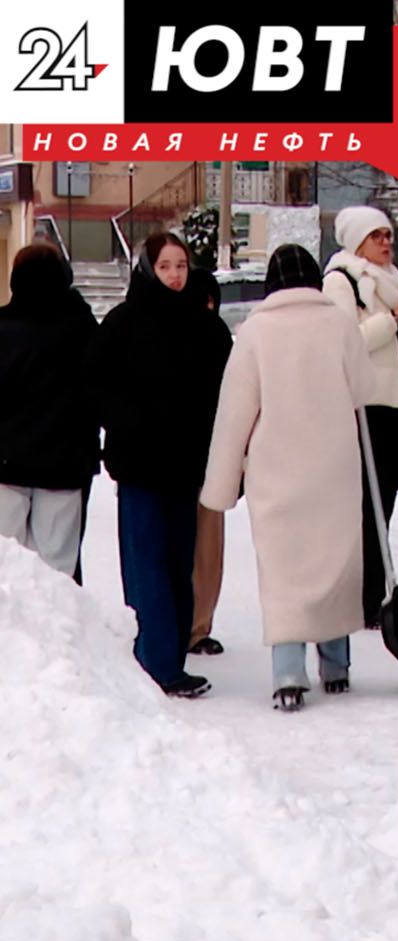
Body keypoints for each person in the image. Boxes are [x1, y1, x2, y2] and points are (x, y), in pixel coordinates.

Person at [202, 246, 377, 711]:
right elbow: (363, 389)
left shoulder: (256, 331)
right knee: (334, 560)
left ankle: (288, 672)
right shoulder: (339, 323)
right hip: (334, 464)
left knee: (284, 568)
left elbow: (235, 412)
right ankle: (336, 664)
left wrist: (219, 487)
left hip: (275, 467)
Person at [93, 232, 233, 697]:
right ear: (148, 269)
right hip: (139, 465)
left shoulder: (207, 328)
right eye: (165, 266)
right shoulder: (123, 323)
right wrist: (124, 428)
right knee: (147, 563)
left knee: (177, 563)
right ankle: (158, 663)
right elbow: (100, 389)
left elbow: (224, 396)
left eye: (180, 265)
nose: (174, 275)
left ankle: (169, 656)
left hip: (187, 466)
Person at [322, 206, 398, 628]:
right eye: (377, 237)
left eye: (389, 235)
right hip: (363, 406)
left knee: (382, 504)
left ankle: (374, 592)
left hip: (395, 403)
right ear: (357, 241)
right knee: (362, 507)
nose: (387, 243)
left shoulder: (394, 283)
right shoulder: (340, 280)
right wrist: (394, 320)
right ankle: (359, 595)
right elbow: (345, 342)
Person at [0, 243, 98, 577]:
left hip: (5, 466)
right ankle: (57, 629)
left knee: (6, 568)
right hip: (64, 466)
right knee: (57, 570)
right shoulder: (82, 330)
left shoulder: (3, 328)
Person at [186, 267, 231, 656]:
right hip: (208, 459)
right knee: (206, 549)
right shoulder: (217, 337)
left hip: (192, 461)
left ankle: (189, 625)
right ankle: (198, 626)